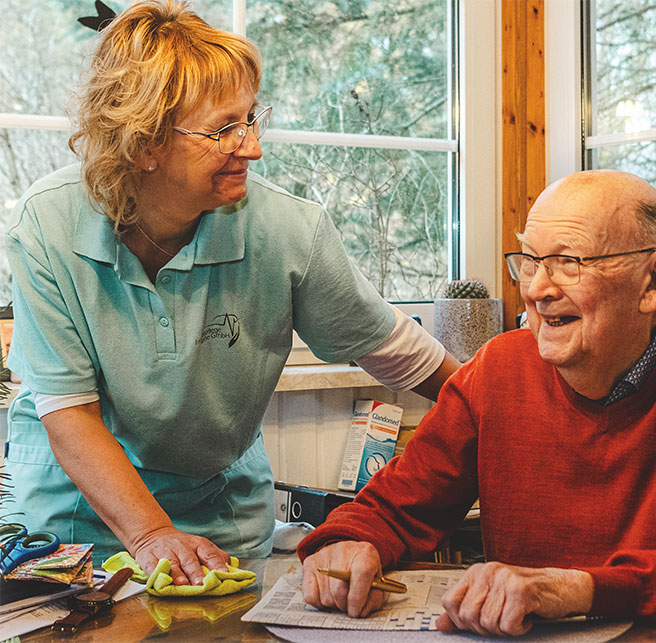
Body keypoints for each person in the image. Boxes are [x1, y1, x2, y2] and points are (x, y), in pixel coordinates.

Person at [4, 0, 459, 586]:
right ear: (146, 145)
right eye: (224, 129)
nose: (253, 147)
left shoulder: (286, 229)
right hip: (81, 522)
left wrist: (501, 410)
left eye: (251, 118)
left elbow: (392, 347)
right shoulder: (48, 225)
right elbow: (69, 413)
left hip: (222, 515)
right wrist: (148, 535)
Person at [299, 169, 656, 636]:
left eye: (569, 262)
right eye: (531, 262)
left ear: (654, 282)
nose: (536, 290)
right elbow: (392, 508)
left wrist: (580, 588)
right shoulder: (498, 368)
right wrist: (342, 544)